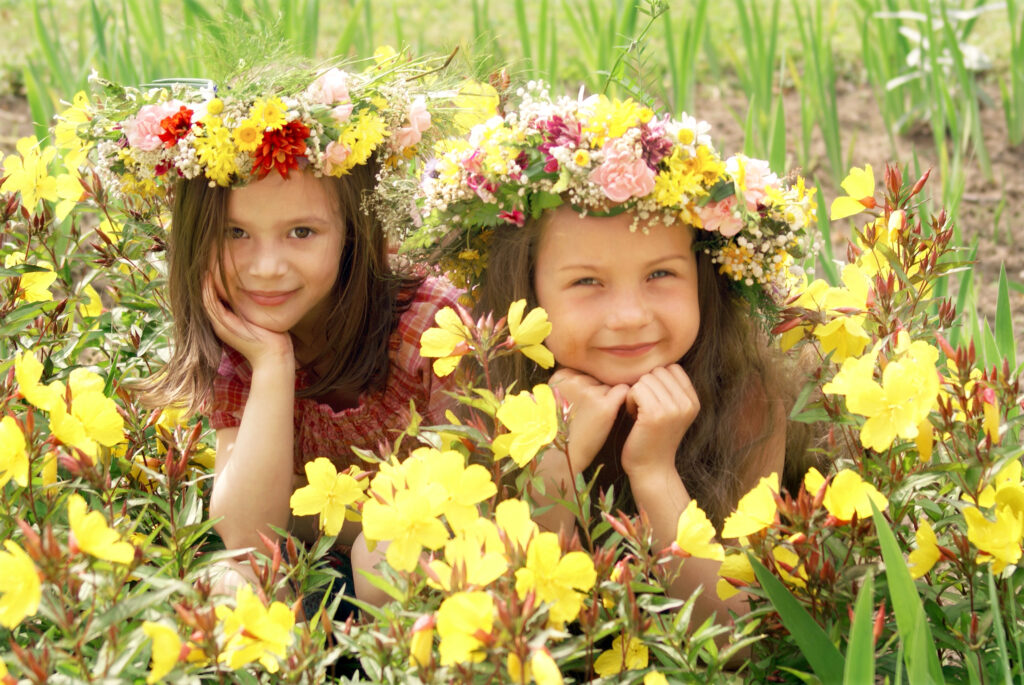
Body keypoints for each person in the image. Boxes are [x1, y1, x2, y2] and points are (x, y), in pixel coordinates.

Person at [406, 82, 820, 627]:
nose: (628, 315)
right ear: (526, 289)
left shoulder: (747, 401)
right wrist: (554, 468)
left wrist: (654, 471)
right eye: (586, 282)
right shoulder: (486, 380)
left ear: (704, 279)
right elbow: (505, 617)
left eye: (660, 274)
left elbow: (735, 631)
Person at [80, 59, 462, 614]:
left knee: (383, 554)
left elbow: (481, 495)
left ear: (353, 233)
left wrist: (347, 526)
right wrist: (272, 362)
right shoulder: (243, 335)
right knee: (228, 583)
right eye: (235, 232)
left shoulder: (428, 326)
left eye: (301, 232)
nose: (265, 268)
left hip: (426, 583)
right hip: (311, 581)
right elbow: (246, 537)